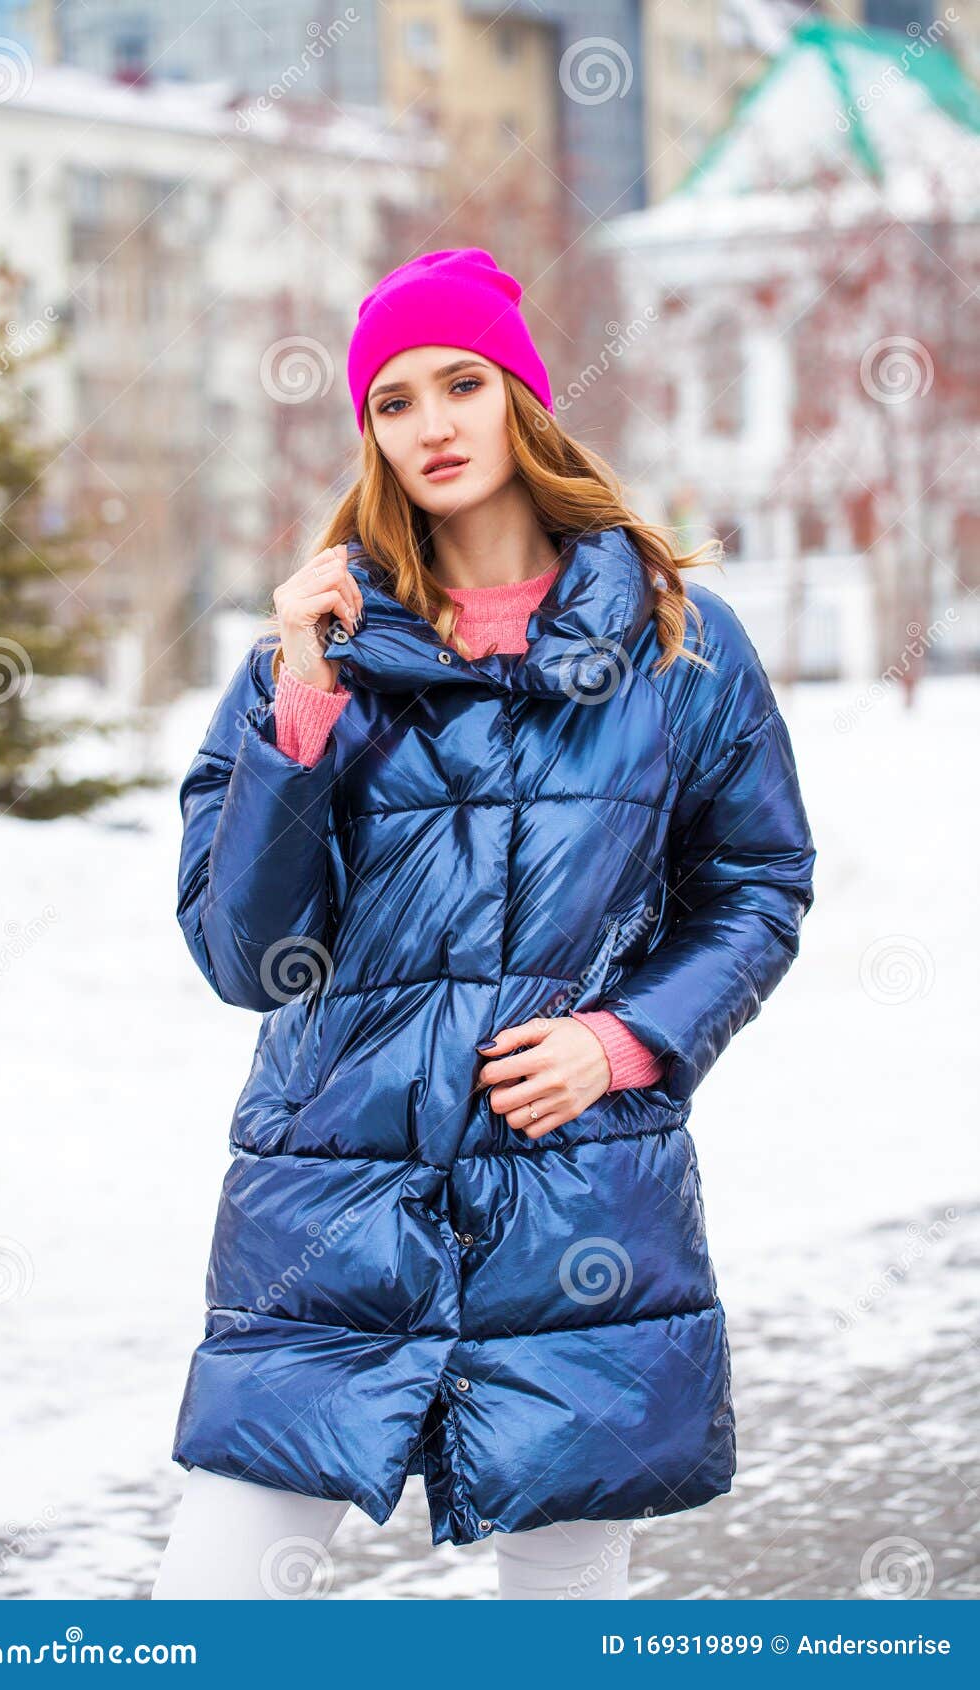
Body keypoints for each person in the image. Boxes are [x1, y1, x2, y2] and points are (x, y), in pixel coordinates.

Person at [151, 248, 815, 1600]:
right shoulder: (313, 647)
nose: (432, 424)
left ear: (523, 397)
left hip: (574, 1199)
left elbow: (756, 886)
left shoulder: (679, 642)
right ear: (370, 434)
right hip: (331, 1205)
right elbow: (240, 953)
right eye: (393, 401)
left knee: (558, 1636)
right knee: (212, 1609)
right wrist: (304, 709)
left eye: (461, 382)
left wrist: (625, 1042)